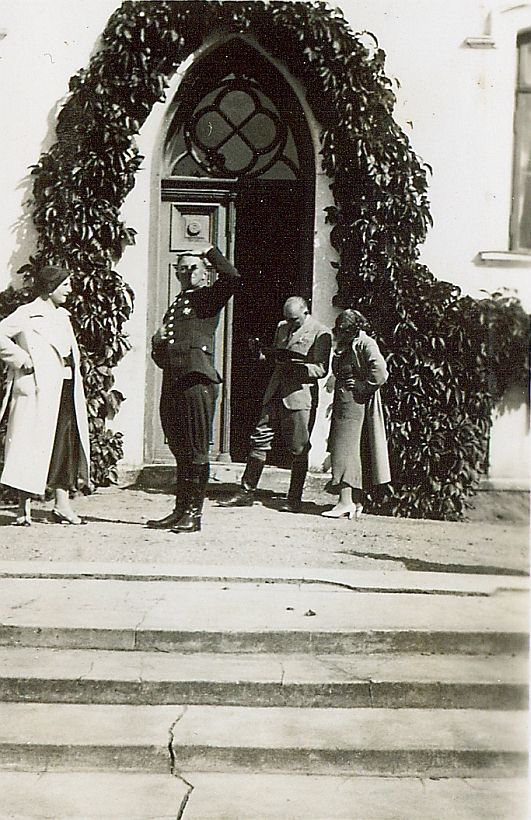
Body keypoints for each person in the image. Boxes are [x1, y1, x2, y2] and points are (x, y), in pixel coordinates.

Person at [148, 245, 241, 534]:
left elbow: (233, 278)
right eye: (182, 269)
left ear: (204, 273)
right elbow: (163, 356)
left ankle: (193, 514)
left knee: (197, 451)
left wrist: (210, 251)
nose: (187, 273)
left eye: (193, 268)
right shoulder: (177, 303)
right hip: (174, 381)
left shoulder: (207, 298)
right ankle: (180, 510)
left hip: (196, 381)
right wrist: (156, 342)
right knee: (180, 449)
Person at [219, 296, 332, 512]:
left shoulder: (320, 332)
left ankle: (294, 499)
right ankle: (246, 492)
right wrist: (262, 354)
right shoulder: (282, 327)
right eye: (287, 319)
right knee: (259, 438)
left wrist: (298, 368)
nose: (290, 323)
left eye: (294, 320)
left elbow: (321, 368)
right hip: (275, 391)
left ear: (306, 312)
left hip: (299, 396)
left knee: (299, 447)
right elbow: (275, 356)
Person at [0, 265, 90, 525]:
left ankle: (62, 505)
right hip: (37, 390)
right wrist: (20, 358)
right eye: (65, 285)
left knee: (64, 445)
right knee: (28, 445)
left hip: (65, 388)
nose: (70, 290)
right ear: (50, 288)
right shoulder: (26, 314)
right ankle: (23, 508)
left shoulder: (63, 316)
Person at [322, 309, 390, 520]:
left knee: (344, 451)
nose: (341, 333)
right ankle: (355, 501)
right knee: (347, 450)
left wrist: (362, 386)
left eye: (345, 330)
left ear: (355, 329)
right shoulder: (347, 343)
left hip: (353, 403)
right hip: (344, 403)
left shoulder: (365, 343)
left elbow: (380, 372)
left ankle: (345, 502)